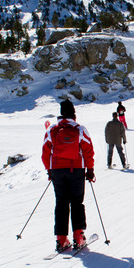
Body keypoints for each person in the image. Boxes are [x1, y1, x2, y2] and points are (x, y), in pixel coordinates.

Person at [42, 99, 95, 252]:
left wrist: (49, 170)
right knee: (77, 202)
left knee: (61, 203)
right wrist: (90, 170)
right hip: (76, 169)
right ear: (73, 114)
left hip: (57, 171)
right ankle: (78, 237)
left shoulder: (52, 130)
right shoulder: (80, 129)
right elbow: (88, 151)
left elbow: (45, 153)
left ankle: (61, 239)